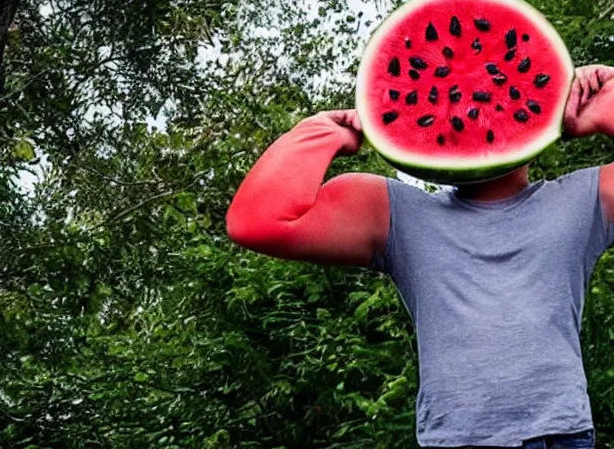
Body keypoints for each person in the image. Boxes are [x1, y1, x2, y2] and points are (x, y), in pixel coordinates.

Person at [226, 64, 614, 449]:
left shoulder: (581, 199)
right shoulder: (398, 213)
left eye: (491, 97)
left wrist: (606, 104)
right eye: (451, 100)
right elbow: (257, 221)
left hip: (559, 436)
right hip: (453, 441)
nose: (471, 109)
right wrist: (319, 133)